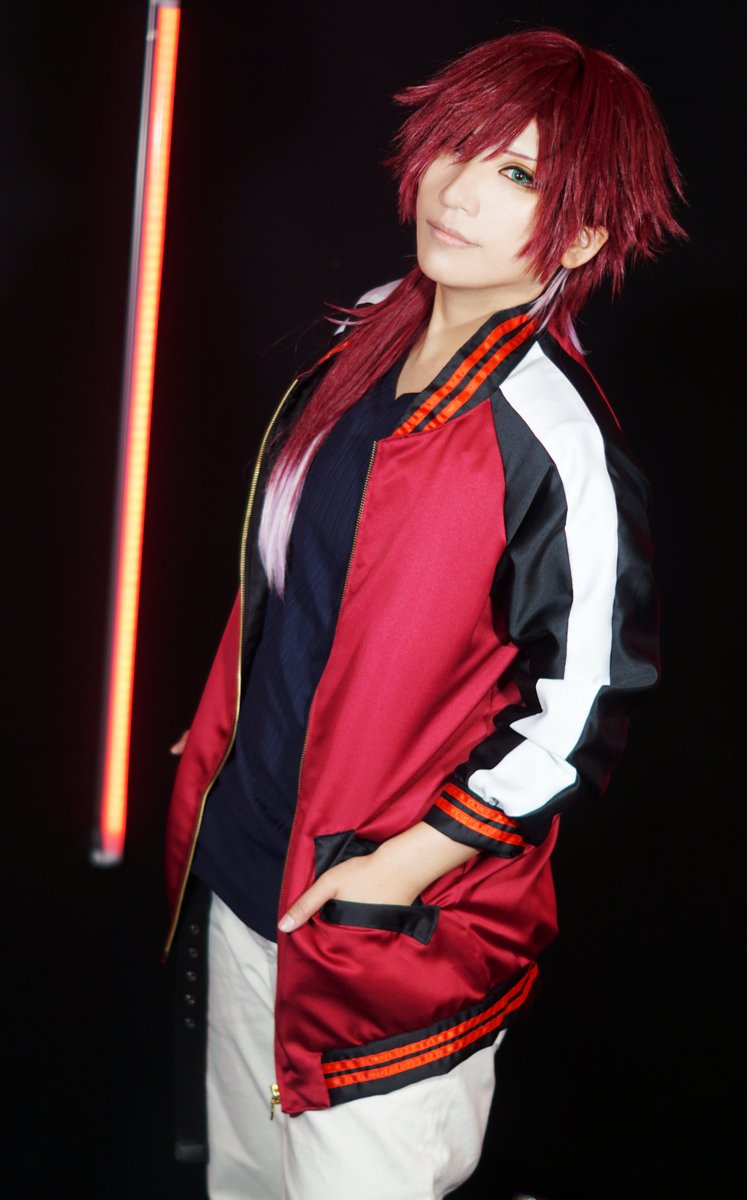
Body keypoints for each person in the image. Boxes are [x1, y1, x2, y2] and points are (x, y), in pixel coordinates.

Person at [164, 28, 684, 1200]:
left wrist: (402, 868)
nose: (458, 189)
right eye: (460, 145)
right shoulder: (362, 336)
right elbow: (290, 587)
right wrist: (225, 740)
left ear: (581, 235)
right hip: (246, 875)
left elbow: (585, 707)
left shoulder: (554, 437)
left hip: (382, 935)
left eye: (518, 174)